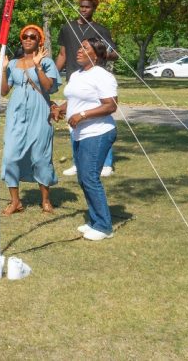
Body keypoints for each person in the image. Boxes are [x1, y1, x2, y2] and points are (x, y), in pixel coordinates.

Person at [51, 38, 118, 241]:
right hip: (80, 133)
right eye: (79, 47)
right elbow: (74, 98)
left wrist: (82, 115)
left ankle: (105, 227)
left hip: (98, 132)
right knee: (83, 178)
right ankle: (95, 220)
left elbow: (111, 106)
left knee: (90, 177)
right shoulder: (77, 74)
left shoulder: (103, 76)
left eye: (84, 48)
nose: (79, 50)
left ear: (95, 55)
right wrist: (61, 108)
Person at [0, 25, 60, 215]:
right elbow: (4, 91)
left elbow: (49, 87)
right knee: (9, 156)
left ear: (39, 41)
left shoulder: (47, 62)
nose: (28, 39)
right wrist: (3, 69)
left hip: (39, 111)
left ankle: (46, 201)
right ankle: (15, 201)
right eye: (25, 36)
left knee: (41, 156)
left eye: (33, 37)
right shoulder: (14, 63)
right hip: (16, 114)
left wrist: (38, 65)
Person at [55, 0, 118, 177]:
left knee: (98, 118)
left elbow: (114, 53)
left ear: (94, 9)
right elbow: (62, 54)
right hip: (75, 77)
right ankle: (78, 161)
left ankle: (106, 163)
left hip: (94, 78)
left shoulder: (100, 29)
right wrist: (53, 75)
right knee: (73, 118)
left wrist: (102, 54)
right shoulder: (67, 28)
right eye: (81, 6)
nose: (83, 9)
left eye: (88, 7)